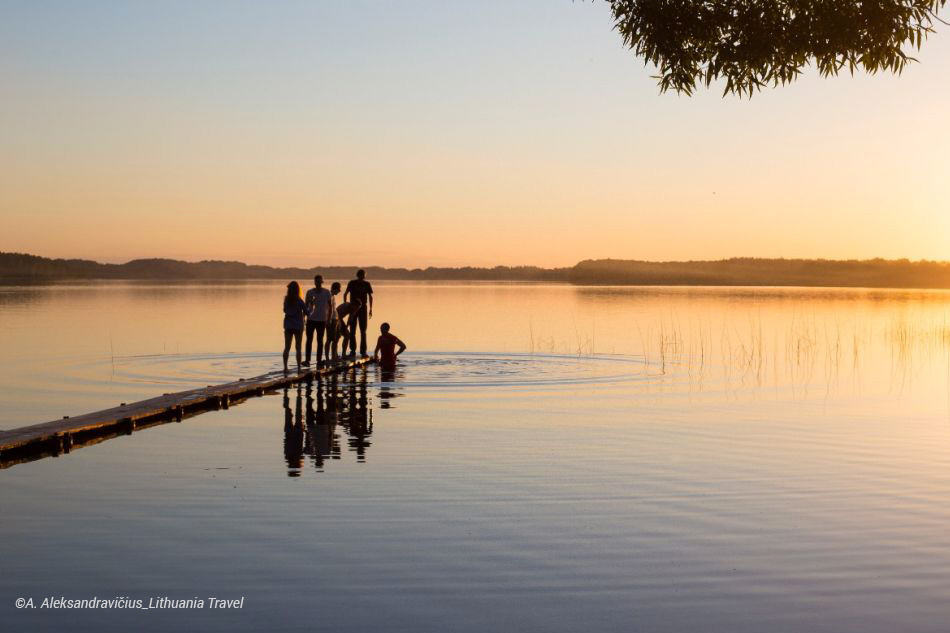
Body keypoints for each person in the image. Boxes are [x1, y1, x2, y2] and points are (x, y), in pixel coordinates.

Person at [303, 275, 331, 367]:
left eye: (320, 282)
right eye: (317, 281)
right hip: (311, 319)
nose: (318, 283)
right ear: (314, 282)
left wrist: (329, 319)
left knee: (320, 341)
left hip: (322, 320)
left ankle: (319, 360)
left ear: (322, 282)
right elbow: (305, 306)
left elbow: (330, 306)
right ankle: (307, 360)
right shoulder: (310, 292)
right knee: (309, 340)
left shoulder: (327, 292)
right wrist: (303, 318)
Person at [344, 269, 374, 357]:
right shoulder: (352, 283)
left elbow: (370, 296)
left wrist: (371, 309)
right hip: (353, 308)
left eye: (363, 275)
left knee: (363, 330)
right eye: (360, 275)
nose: (362, 276)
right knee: (352, 330)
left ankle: (363, 351)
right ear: (358, 275)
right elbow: (345, 293)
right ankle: (352, 350)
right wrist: (346, 304)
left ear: (364, 276)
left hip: (363, 308)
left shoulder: (367, 284)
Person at [282, 281, 307, 372]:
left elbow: (285, 310)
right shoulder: (299, 300)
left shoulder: (286, 299)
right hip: (298, 326)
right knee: (298, 347)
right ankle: (299, 369)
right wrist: (312, 305)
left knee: (287, 347)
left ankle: (285, 368)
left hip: (288, 325)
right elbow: (307, 312)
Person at [324, 282, 343, 361]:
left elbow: (334, 309)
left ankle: (334, 356)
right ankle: (329, 358)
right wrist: (328, 320)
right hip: (331, 320)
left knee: (336, 338)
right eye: (338, 290)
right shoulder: (328, 295)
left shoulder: (333, 296)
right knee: (329, 339)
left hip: (336, 319)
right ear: (336, 289)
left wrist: (338, 320)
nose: (338, 292)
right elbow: (327, 309)